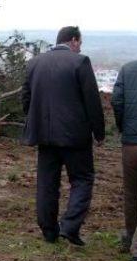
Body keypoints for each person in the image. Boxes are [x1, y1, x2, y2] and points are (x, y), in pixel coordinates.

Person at [22, 26, 105, 246]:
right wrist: (99, 132)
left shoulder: (34, 63)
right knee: (82, 179)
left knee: (47, 183)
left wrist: (36, 122)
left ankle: (49, 231)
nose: (80, 48)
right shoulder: (80, 62)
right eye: (80, 43)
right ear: (74, 41)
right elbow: (92, 102)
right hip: (75, 136)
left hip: (44, 135)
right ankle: (69, 226)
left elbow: (26, 99)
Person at [111, 37, 137, 261]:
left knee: (130, 194)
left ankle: (130, 239)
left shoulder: (127, 69)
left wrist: (123, 127)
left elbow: (117, 101)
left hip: (131, 143)